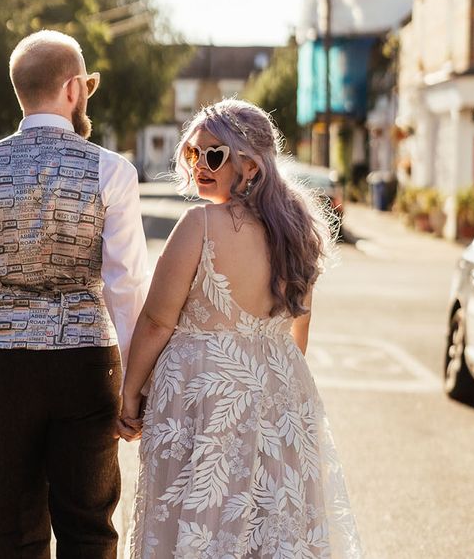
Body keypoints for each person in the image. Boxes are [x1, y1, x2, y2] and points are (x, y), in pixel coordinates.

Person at [0, 30, 148, 559]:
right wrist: (134, 384)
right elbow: (127, 283)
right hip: (86, 366)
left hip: (6, 368)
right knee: (88, 529)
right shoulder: (111, 171)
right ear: (73, 89)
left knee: (13, 532)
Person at [119, 99, 362, 558]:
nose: (200, 166)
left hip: (202, 397)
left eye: (215, 155)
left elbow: (156, 320)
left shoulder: (201, 225)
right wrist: (271, 389)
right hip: (279, 393)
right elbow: (298, 333)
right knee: (268, 529)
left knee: (195, 523)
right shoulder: (300, 230)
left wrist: (131, 392)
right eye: (193, 154)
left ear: (249, 166)